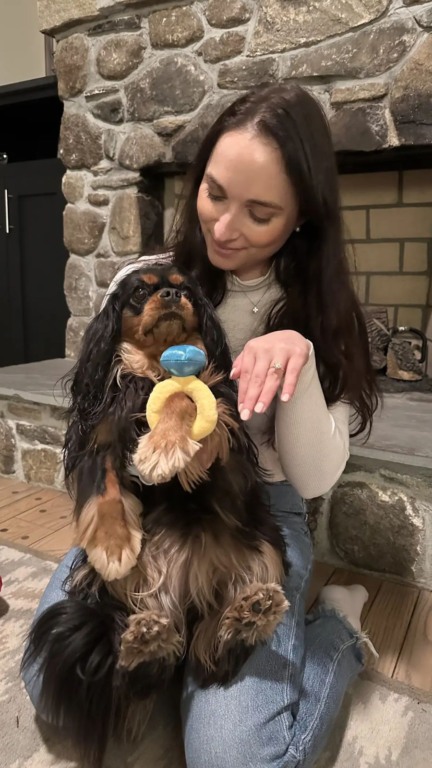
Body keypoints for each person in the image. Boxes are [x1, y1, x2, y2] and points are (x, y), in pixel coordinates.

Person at [22, 83, 379, 767]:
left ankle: (334, 626)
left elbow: (313, 477)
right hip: (142, 502)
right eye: (215, 194)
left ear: (303, 217)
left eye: (261, 212)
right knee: (58, 680)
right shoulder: (142, 280)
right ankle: (176, 655)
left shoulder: (325, 311)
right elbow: (93, 429)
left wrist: (298, 360)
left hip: (252, 514)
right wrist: (106, 507)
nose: (223, 228)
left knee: (233, 759)